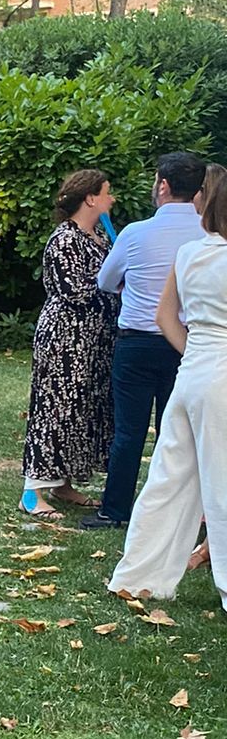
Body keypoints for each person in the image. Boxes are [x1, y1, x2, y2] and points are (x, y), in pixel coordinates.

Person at [109, 165, 227, 610]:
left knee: (168, 477)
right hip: (220, 374)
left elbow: (165, 317)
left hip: (192, 372)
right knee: (221, 481)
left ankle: (139, 575)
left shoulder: (190, 253)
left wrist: (196, 350)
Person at [83, 151, 207, 531]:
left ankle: (115, 509)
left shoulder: (136, 233)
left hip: (136, 343)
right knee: (179, 434)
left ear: (163, 186)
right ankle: (176, 513)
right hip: (187, 343)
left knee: (128, 432)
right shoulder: (208, 235)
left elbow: (106, 281)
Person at [19, 170, 119, 517]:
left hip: (95, 340)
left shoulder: (101, 237)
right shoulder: (64, 239)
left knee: (83, 409)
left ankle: (62, 483)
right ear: (90, 198)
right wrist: (118, 287)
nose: (111, 199)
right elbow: (75, 291)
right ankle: (32, 490)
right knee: (56, 408)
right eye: (106, 193)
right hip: (65, 338)